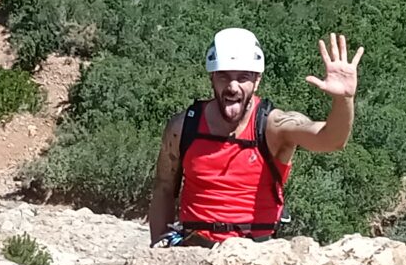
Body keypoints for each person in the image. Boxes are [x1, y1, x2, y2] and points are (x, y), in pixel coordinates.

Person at [147, 28, 362, 246]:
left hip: (254, 252)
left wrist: (344, 99)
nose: (232, 87)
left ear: (257, 81)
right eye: (224, 76)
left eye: (243, 77)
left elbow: (331, 140)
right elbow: (164, 187)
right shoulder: (183, 126)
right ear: (212, 77)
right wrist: (158, 245)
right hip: (192, 248)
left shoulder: (273, 126)